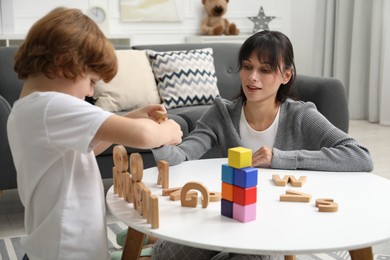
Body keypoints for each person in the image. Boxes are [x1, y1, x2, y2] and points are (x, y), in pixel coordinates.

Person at [148, 30, 373, 259]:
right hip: (228, 216)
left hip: (275, 226)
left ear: (286, 75)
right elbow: (179, 158)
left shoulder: (301, 115)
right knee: (167, 255)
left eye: (265, 70)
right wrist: (156, 137)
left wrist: (279, 158)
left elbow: (360, 156)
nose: (252, 77)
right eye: (247, 67)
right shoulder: (221, 113)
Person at [7, 7, 182, 260]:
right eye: (91, 80)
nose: (90, 92)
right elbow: (144, 136)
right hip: (68, 250)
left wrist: (131, 116)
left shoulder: (31, 110)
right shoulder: (51, 106)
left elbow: (93, 146)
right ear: (64, 63)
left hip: (56, 245)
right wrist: (168, 130)